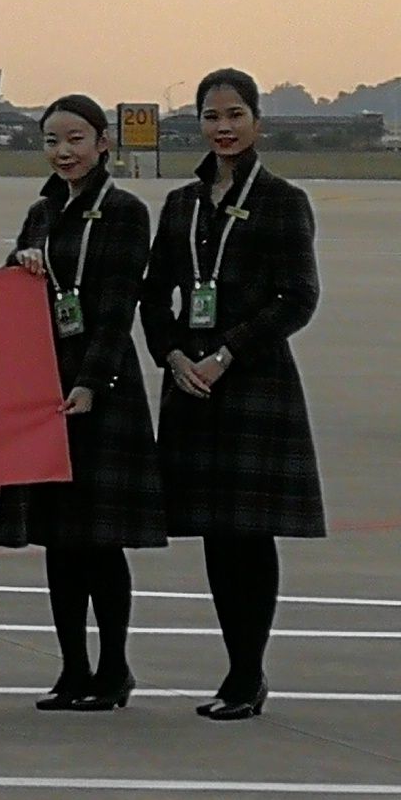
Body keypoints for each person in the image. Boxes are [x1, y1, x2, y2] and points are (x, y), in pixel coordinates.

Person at [145, 68, 323, 722]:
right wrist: (171, 354)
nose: (222, 128)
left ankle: (247, 674)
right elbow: (153, 291)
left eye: (235, 115)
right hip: (191, 382)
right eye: (211, 116)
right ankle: (235, 670)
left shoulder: (281, 199)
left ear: (256, 121)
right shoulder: (182, 204)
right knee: (217, 536)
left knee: (251, 533)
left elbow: (299, 297)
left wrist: (227, 353)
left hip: (252, 379)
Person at [0, 95, 162, 710]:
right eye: (52, 141)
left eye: (75, 139)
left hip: (102, 389)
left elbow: (119, 308)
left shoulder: (123, 212)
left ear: (102, 144)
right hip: (45, 387)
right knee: (58, 539)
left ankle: (114, 668)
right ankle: (71, 669)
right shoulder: (42, 212)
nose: (63, 152)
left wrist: (91, 383)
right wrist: (20, 263)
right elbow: (13, 297)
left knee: (101, 540)